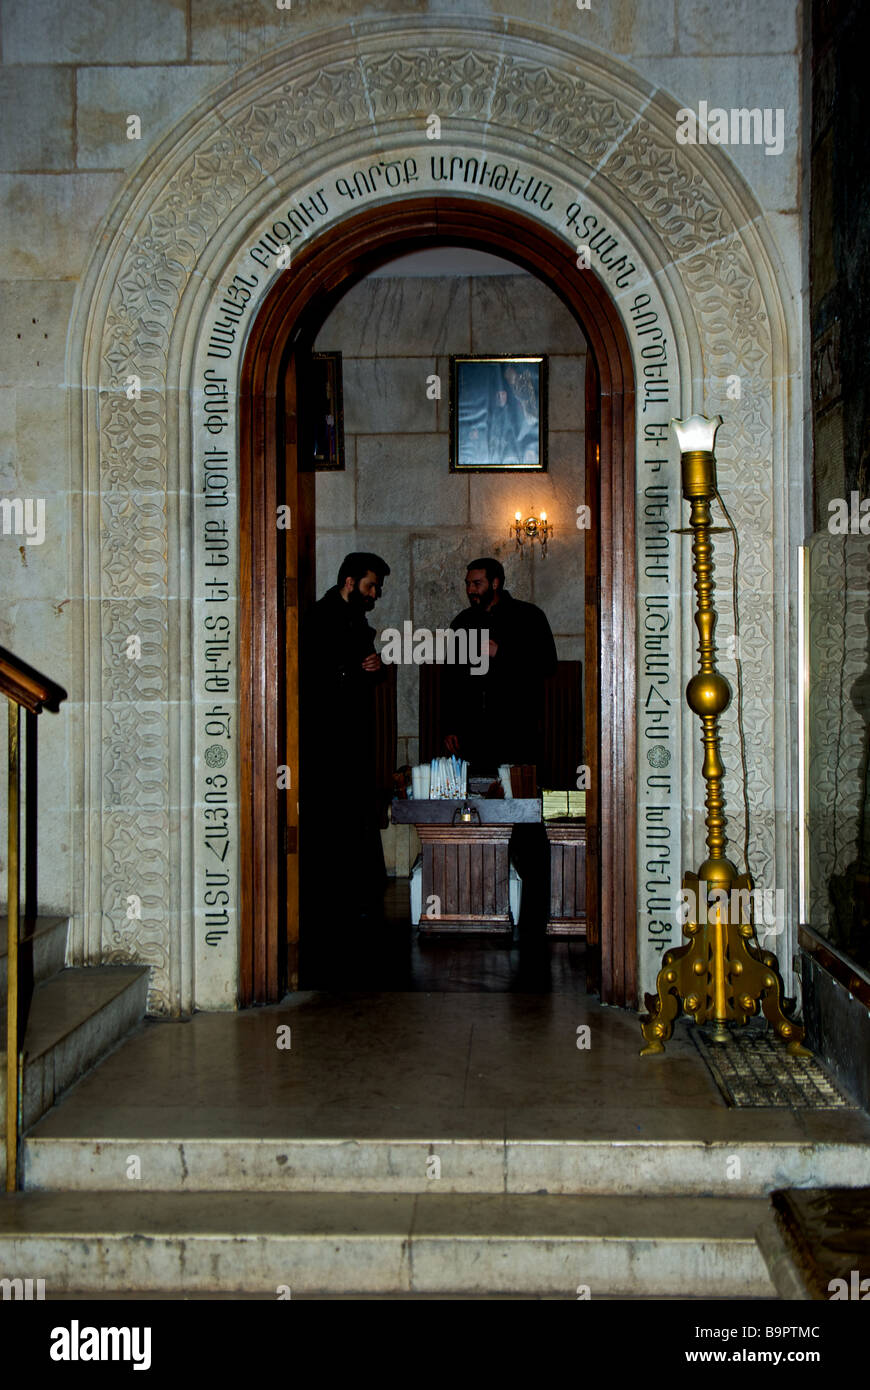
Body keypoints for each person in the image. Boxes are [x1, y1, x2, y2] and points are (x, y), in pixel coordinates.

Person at [301, 551, 391, 920]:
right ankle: (332, 892)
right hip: (327, 736)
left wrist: (375, 668)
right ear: (351, 583)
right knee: (332, 810)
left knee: (357, 807)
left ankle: (358, 890)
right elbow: (316, 674)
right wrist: (356, 671)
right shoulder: (318, 617)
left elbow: (364, 670)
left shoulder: (356, 620)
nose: (375, 595)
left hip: (354, 732)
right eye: (371, 586)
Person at [442, 557, 557, 774]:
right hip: (473, 731)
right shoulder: (462, 622)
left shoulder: (529, 616)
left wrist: (502, 653)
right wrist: (450, 727)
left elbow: (547, 664)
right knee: (475, 799)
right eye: (467, 584)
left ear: (495, 583)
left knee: (518, 796)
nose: (470, 590)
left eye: (477, 584)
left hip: (516, 728)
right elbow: (451, 678)